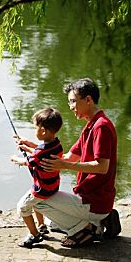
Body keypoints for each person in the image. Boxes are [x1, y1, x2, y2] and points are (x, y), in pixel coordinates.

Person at [17, 78, 121, 248]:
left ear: (88, 100)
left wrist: (65, 166)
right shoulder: (90, 125)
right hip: (88, 197)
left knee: (38, 201)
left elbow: (102, 167)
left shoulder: (101, 127)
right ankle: (100, 222)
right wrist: (34, 147)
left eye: (73, 101)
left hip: (94, 201)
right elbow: (67, 157)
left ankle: (87, 230)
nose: (70, 106)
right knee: (52, 224)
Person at [11, 107, 63, 248]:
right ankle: (41, 225)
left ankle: (34, 235)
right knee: (35, 204)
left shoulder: (40, 152)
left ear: (43, 131)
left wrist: (15, 158)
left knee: (22, 207)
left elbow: (28, 161)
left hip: (42, 189)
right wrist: (27, 144)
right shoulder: (57, 145)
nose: (35, 131)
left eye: (36, 128)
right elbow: (39, 151)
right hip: (53, 185)